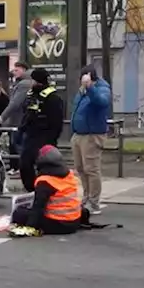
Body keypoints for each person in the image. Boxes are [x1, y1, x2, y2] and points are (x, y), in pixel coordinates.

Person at [11, 146, 83, 235]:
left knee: (19, 213)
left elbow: (38, 208)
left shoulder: (45, 181)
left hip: (59, 223)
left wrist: (30, 227)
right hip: (74, 222)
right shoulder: (69, 174)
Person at [69, 68, 112, 215]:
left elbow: (102, 102)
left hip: (92, 135)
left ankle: (94, 201)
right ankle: (86, 197)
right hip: (79, 134)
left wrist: (90, 88)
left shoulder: (101, 89)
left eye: (84, 80)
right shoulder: (82, 91)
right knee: (80, 168)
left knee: (91, 169)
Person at [18, 68, 64, 192]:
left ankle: (44, 191)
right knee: (25, 164)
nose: (31, 83)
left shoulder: (53, 98)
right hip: (31, 136)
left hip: (45, 138)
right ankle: (31, 190)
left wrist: (50, 140)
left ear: (38, 81)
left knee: (45, 167)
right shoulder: (31, 95)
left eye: (32, 80)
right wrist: (21, 130)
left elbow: (56, 123)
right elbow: (26, 114)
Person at [0, 60, 36, 161]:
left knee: (19, 146)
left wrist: (3, 116)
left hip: (19, 120)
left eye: (16, 70)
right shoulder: (22, 82)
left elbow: (15, 102)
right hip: (23, 119)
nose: (14, 72)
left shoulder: (24, 84)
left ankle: (23, 168)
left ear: (23, 70)